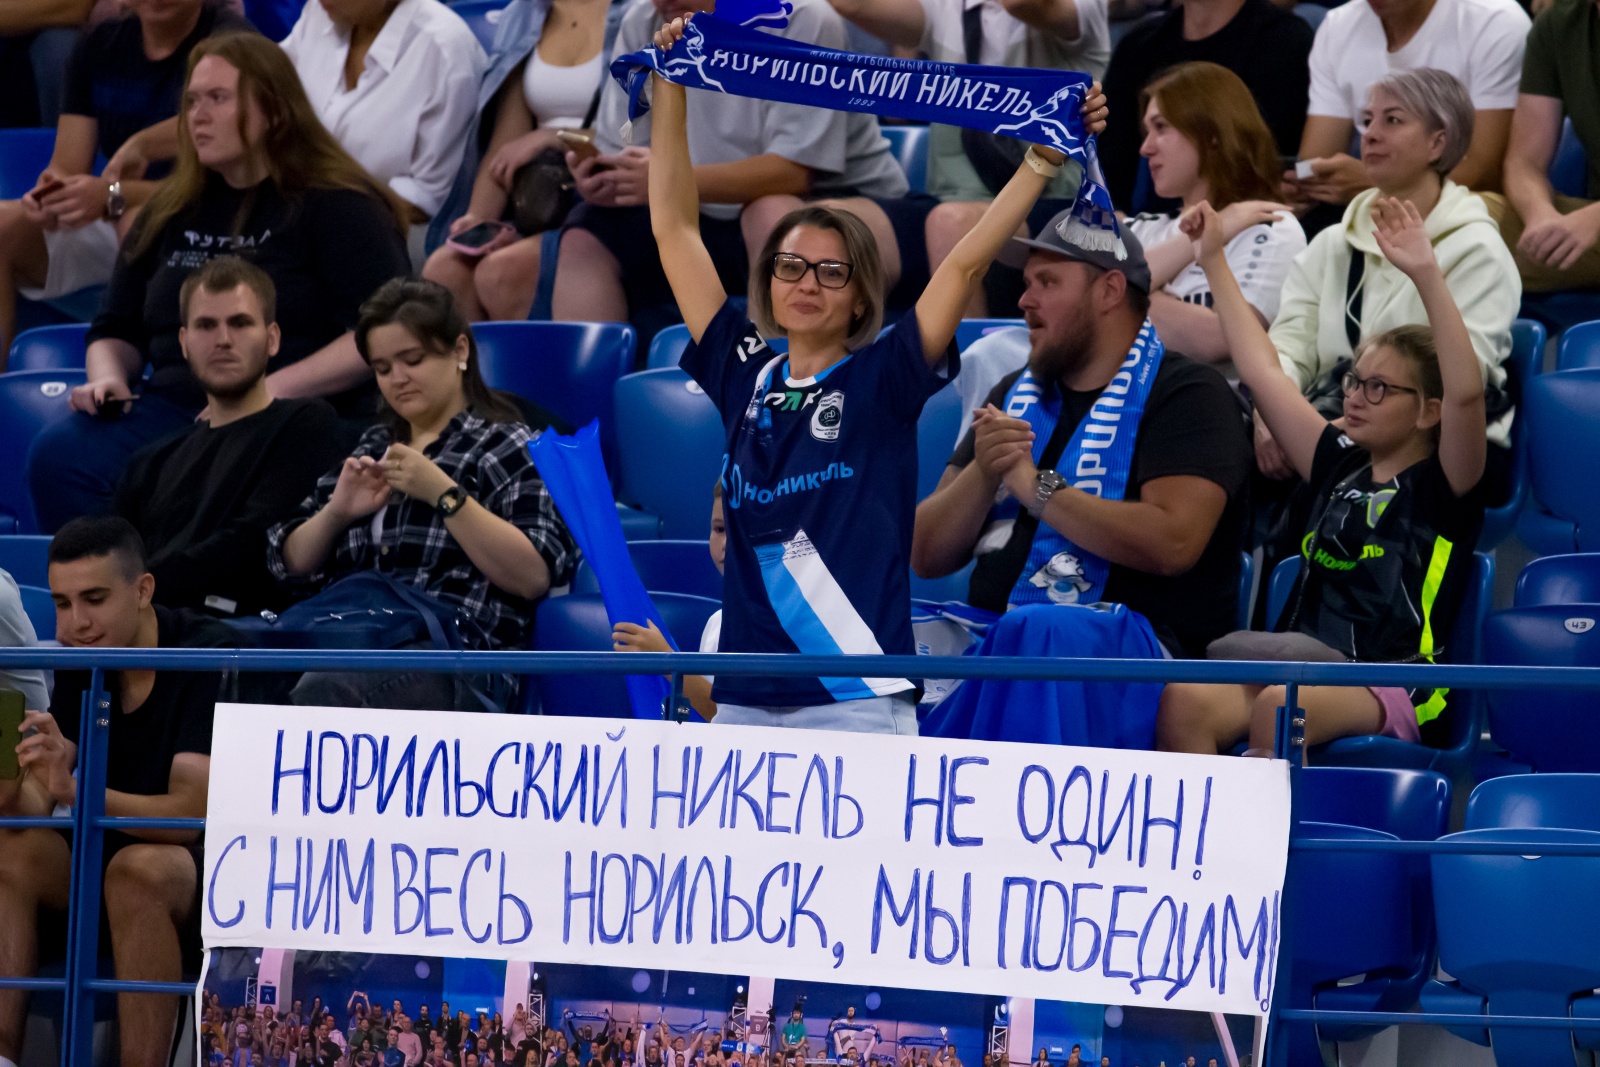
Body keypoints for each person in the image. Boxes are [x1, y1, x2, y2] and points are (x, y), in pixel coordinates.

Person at [651, 14, 1105, 729]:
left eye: (831, 271)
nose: (807, 282)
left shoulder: (883, 377)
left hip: (857, 700)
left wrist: (1040, 163)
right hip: (741, 698)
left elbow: (965, 263)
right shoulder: (742, 371)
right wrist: (671, 87)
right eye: (790, 266)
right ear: (767, 281)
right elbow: (675, 229)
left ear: (862, 296)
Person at [25, 32, 413, 535]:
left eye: (217, 98)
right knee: (62, 456)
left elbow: (379, 331)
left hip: (291, 414)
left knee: (227, 477)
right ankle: (128, 582)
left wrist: (268, 392)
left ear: (273, 111)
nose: (197, 116)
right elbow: (115, 326)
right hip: (177, 407)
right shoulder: (168, 210)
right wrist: (107, 378)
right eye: (191, 102)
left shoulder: (339, 205)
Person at [1159, 194, 1486, 754]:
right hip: (1303, 668)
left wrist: (1426, 274)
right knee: (1183, 702)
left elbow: (1467, 394)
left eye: (1378, 388)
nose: (1354, 397)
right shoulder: (1337, 462)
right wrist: (1211, 258)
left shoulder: (1446, 485)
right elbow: (1263, 371)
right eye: (1355, 380)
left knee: (1280, 706)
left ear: (1428, 412)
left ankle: (1273, 816)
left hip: (1396, 682)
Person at [911, 215, 1251, 658]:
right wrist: (985, 471)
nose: (1024, 300)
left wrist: (1035, 488)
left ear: (1109, 290)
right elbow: (926, 555)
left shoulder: (1189, 394)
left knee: (1043, 629)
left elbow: (1173, 543)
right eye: (1027, 283)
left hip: (1137, 658)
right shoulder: (1013, 393)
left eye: (1047, 282)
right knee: (890, 633)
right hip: (994, 638)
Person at [268, 277, 577, 709]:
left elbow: (532, 576)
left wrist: (444, 494)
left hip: (458, 662)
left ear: (460, 351)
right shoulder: (372, 447)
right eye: (382, 369)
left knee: (326, 688)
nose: (398, 379)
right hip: (353, 639)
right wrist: (337, 512)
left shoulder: (507, 445)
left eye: (412, 360)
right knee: (230, 671)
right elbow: (289, 563)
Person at [0, 516, 238, 1067]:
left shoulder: (208, 652)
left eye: (94, 599)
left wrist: (77, 792)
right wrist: (18, 779)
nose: (75, 624)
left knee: (137, 870)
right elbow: (34, 802)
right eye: (61, 604)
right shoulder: (84, 656)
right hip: (102, 868)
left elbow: (191, 816)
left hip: (197, 875)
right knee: (12, 848)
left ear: (143, 590)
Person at [552, 0, 910, 348]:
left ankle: (775, 380)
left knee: (773, 215)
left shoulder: (803, 17)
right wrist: (609, 180)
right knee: (586, 235)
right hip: (704, 210)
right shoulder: (642, 21)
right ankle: (586, 388)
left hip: (841, 200)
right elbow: (626, 150)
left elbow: (793, 173)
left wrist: (664, 182)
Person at [1264, 69, 1518, 494]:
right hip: (1333, 420)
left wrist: (1318, 432)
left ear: (1438, 142)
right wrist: (1273, 415)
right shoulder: (1331, 243)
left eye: (1393, 120)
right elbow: (1288, 345)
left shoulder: (1478, 249)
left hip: (1433, 441)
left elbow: (1460, 386)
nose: (1371, 134)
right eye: (1367, 121)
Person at [821, 0, 1111, 316]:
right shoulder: (948, 8)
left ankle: (962, 349)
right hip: (946, 202)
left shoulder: (1083, 5)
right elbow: (852, 6)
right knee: (829, 224)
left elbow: (1018, 3)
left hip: (1053, 204)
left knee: (951, 223)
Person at [0, 0, 252, 357]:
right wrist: (51, 194)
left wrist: (113, 194)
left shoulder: (233, 44)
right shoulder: (100, 43)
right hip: (114, 210)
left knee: (137, 225)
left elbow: (218, 190)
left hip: (209, 221)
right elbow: (67, 165)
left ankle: (153, 375)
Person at [111, 256, 350, 618]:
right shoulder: (151, 461)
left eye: (240, 323)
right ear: (184, 342)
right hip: (146, 626)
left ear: (272, 339)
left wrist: (141, 586)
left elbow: (256, 543)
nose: (223, 340)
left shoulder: (305, 425)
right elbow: (112, 558)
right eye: (206, 325)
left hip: (240, 634)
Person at [422, 0, 631, 321]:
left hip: (606, 198)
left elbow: (638, 135)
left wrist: (556, 136)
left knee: (503, 273)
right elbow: (505, 144)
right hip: (536, 197)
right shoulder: (523, 14)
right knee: (445, 268)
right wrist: (479, 218)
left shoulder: (640, 13)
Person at [1125, 62, 1306, 363]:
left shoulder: (1270, 227)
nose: (1145, 148)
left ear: (1212, 134)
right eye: (1147, 131)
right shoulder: (1139, 229)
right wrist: (1217, 228)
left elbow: (1223, 339)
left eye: (1161, 127)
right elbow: (1090, 302)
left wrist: (1125, 301)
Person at [1283, 0, 1530, 215]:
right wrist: (1298, 182)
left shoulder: (1495, 21)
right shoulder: (1338, 25)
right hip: (1373, 211)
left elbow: (1483, 173)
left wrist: (1375, 180)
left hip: (1465, 212)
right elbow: (1318, 159)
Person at [281, 0, 484, 234]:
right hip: (300, 213)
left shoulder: (445, 51)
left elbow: (430, 199)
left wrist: (319, 222)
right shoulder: (321, 12)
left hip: (393, 232)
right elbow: (276, 88)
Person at [1097, 0, 1312, 212]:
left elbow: (1270, 165)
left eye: (1161, 127)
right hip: (1149, 223)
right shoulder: (1139, 44)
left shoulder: (1285, 41)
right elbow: (1109, 162)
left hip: (1241, 218)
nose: (1148, 146)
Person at [1496, 0, 1600, 293]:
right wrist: (1540, 217)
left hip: (1593, 220)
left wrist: (1594, 220)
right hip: (1585, 219)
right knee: (1460, 224)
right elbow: (1524, 162)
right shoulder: (1557, 23)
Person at [612, 481, 726, 719]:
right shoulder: (716, 623)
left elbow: (728, 715)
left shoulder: (786, 621)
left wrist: (666, 661)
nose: (726, 544)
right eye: (719, 529)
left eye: (741, 530)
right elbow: (714, 718)